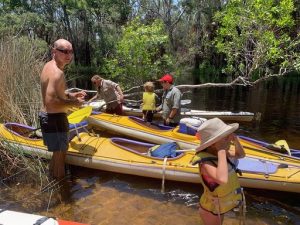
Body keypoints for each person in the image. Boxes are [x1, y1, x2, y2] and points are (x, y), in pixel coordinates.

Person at [39, 39, 86, 179]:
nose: (68, 55)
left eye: (70, 51)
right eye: (64, 51)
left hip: (48, 117)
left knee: (57, 155)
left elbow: (55, 94)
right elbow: (51, 102)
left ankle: (51, 181)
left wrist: (71, 95)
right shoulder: (57, 73)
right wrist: (74, 103)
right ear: (54, 51)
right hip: (55, 119)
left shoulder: (48, 66)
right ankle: (62, 196)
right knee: (60, 160)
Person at [191, 118, 246, 225]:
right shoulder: (205, 163)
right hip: (210, 209)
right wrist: (221, 150)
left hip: (218, 206)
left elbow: (241, 155)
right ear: (212, 144)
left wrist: (235, 140)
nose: (228, 140)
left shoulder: (219, 154)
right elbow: (222, 179)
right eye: (225, 138)